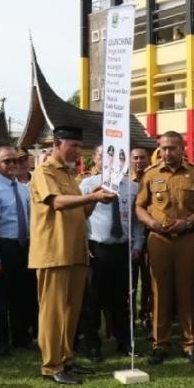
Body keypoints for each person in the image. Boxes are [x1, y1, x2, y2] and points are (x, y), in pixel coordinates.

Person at [29, 126, 116, 385]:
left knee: (71, 310)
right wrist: (91, 195)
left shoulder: (69, 174)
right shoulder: (45, 171)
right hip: (54, 251)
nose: (78, 152)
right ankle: (51, 365)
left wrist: (96, 199)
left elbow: (80, 212)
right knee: (53, 311)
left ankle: (66, 359)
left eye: (79, 146)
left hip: (76, 251)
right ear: (57, 143)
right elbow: (55, 203)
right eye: (73, 146)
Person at [136, 131, 194, 366]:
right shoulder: (150, 175)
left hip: (187, 238)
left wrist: (189, 221)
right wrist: (151, 223)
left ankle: (190, 343)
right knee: (159, 291)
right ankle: (160, 344)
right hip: (158, 240)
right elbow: (140, 206)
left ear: (182, 149)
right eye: (163, 148)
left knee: (186, 290)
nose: (167, 153)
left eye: (172, 148)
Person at [80, 145, 145, 361]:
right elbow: (79, 219)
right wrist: (83, 246)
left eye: (118, 159)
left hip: (122, 249)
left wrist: (137, 246)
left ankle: (124, 342)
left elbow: (137, 222)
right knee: (92, 299)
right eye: (105, 158)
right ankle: (93, 345)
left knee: (122, 299)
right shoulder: (88, 185)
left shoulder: (133, 187)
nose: (112, 163)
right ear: (97, 161)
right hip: (96, 249)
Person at [0, 146, 35, 354]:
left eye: (16, 161)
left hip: (24, 247)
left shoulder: (23, 189)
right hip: (4, 246)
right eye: (7, 161)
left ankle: (21, 336)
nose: (13, 165)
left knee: (22, 295)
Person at [130, 147, 152, 332]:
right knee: (130, 281)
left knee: (149, 279)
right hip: (130, 239)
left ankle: (147, 315)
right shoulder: (123, 181)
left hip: (151, 236)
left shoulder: (153, 178)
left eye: (143, 158)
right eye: (135, 158)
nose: (139, 161)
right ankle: (128, 319)